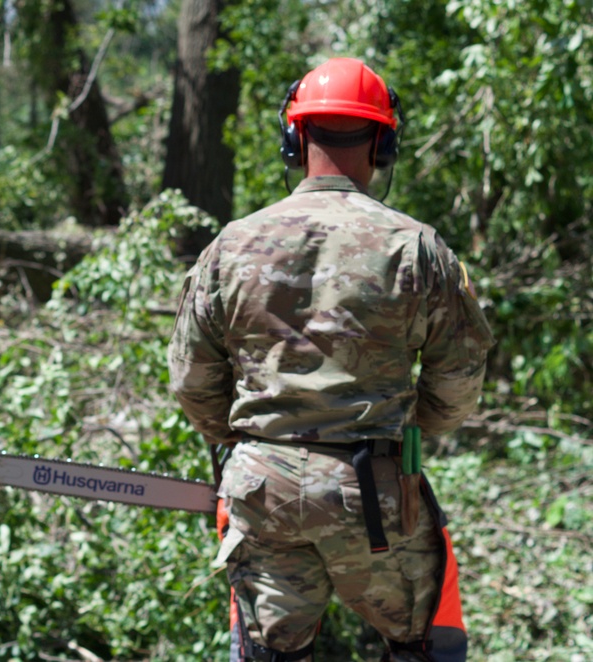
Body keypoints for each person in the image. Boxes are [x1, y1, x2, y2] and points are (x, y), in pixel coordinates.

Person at [167, 58, 495, 662]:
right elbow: (457, 380)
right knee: (426, 643)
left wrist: (245, 445)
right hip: (374, 492)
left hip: (262, 490)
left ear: (294, 138)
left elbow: (191, 379)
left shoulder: (230, 244)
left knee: (269, 652)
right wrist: (414, 437)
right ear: (383, 142)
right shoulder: (416, 248)